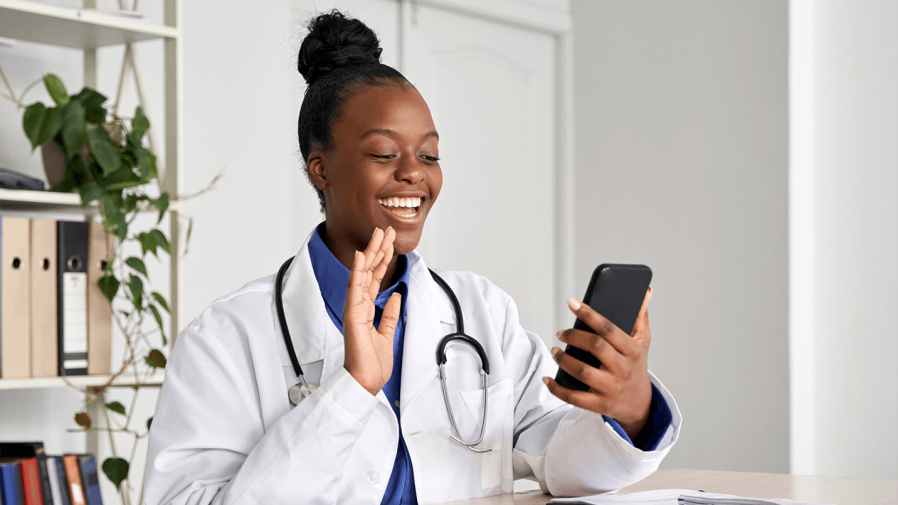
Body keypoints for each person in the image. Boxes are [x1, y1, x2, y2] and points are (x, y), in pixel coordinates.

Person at [144, 10, 681, 505]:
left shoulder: (482, 311)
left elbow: (557, 461)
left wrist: (628, 410)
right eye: (384, 153)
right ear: (320, 169)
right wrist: (349, 392)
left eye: (429, 154)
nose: (414, 174)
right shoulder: (224, 339)